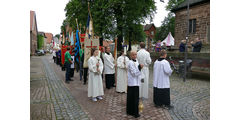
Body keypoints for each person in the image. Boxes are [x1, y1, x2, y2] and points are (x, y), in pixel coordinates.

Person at [126, 51, 143, 118]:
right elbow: (133, 73)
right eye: (133, 55)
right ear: (130, 56)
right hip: (132, 83)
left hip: (136, 82)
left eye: (135, 54)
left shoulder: (137, 61)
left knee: (135, 98)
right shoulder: (130, 62)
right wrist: (140, 68)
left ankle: (132, 111)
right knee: (133, 98)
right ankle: (133, 112)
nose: (135, 56)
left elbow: (137, 72)